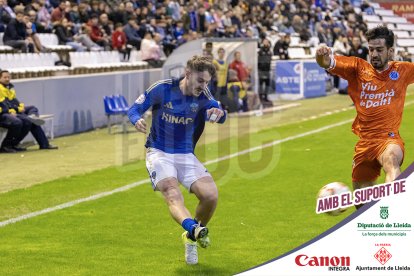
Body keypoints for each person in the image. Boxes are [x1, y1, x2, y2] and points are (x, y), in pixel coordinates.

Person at [128, 56, 226, 265]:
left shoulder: (203, 95)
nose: (204, 86)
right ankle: (193, 228)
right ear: (187, 74)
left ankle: (191, 236)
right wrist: (136, 119)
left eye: (207, 82)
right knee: (172, 193)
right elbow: (134, 109)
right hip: (158, 152)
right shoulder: (162, 89)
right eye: (200, 81)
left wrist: (217, 113)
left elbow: (220, 113)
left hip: (185, 154)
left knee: (211, 196)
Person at [315, 25, 414, 208]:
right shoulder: (357, 68)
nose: (374, 54)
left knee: (391, 159)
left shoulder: (403, 70)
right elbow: (326, 62)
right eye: (371, 49)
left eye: (379, 50)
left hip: (389, 139)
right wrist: (322, 55)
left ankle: (397, 206)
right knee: (362, 204)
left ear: (390, 51)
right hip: (364, 144)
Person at [0, 70, 58, 153]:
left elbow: (14, 101)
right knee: (23, 121)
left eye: (8, 77)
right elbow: (4, 105)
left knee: (32, 109)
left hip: (11, 110)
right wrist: (16, 109)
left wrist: (20, 106)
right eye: (5, 77)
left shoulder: (9, 87)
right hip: (4, 113)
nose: (7, 79)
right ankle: (7, 146)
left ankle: (32, 116)